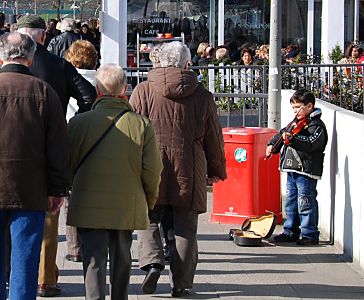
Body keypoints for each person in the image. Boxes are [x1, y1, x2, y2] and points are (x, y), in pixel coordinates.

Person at [130, 41, 227, 297]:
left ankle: (152, 262)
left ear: (159, 62)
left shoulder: (142, 91)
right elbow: (213, 138)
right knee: (184, 227)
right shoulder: (202, 96)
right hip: (189, 167)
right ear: (187, 63)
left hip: (150, 166)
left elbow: (131, 132)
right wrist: (217, 168)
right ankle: (181, 283)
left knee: (148, 217)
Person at [16, 15, 96, 297]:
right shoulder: (56, 64)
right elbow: (89, 96)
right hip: (46, 147)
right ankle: (45, 278)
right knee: (48, 218)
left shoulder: (5, 67)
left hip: (8, 150)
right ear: (41, 37)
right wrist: (69, 125)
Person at [67, 64, 163, 300]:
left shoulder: (79, 123)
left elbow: (66, 163)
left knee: (93, 260)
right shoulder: (141, 124)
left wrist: (69, 190)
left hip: (88, 202)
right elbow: (153, 170)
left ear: (97, 90)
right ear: (124, 89)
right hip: (126, 202)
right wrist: (149, 200)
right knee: (122, 257)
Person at [0, 31, 71, 300]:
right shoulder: (44, 92)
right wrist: (57, 189)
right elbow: (58, 147)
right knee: (26, 262)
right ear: (30, 58)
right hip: (31, 189)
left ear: (1, 57)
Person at [266, 89, 328, 246]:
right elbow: (282, 133)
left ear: (309, 106)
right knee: (291, 202)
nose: (295, 111)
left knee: (305, 202)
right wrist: (273, 144)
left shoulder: (317, 126)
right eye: (293, 108)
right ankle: (290, 231)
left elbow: (311, 143)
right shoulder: (294, 123)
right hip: (292, 169)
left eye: (298, 107)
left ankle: (310, 234)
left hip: (306, 171)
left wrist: (293, 139)